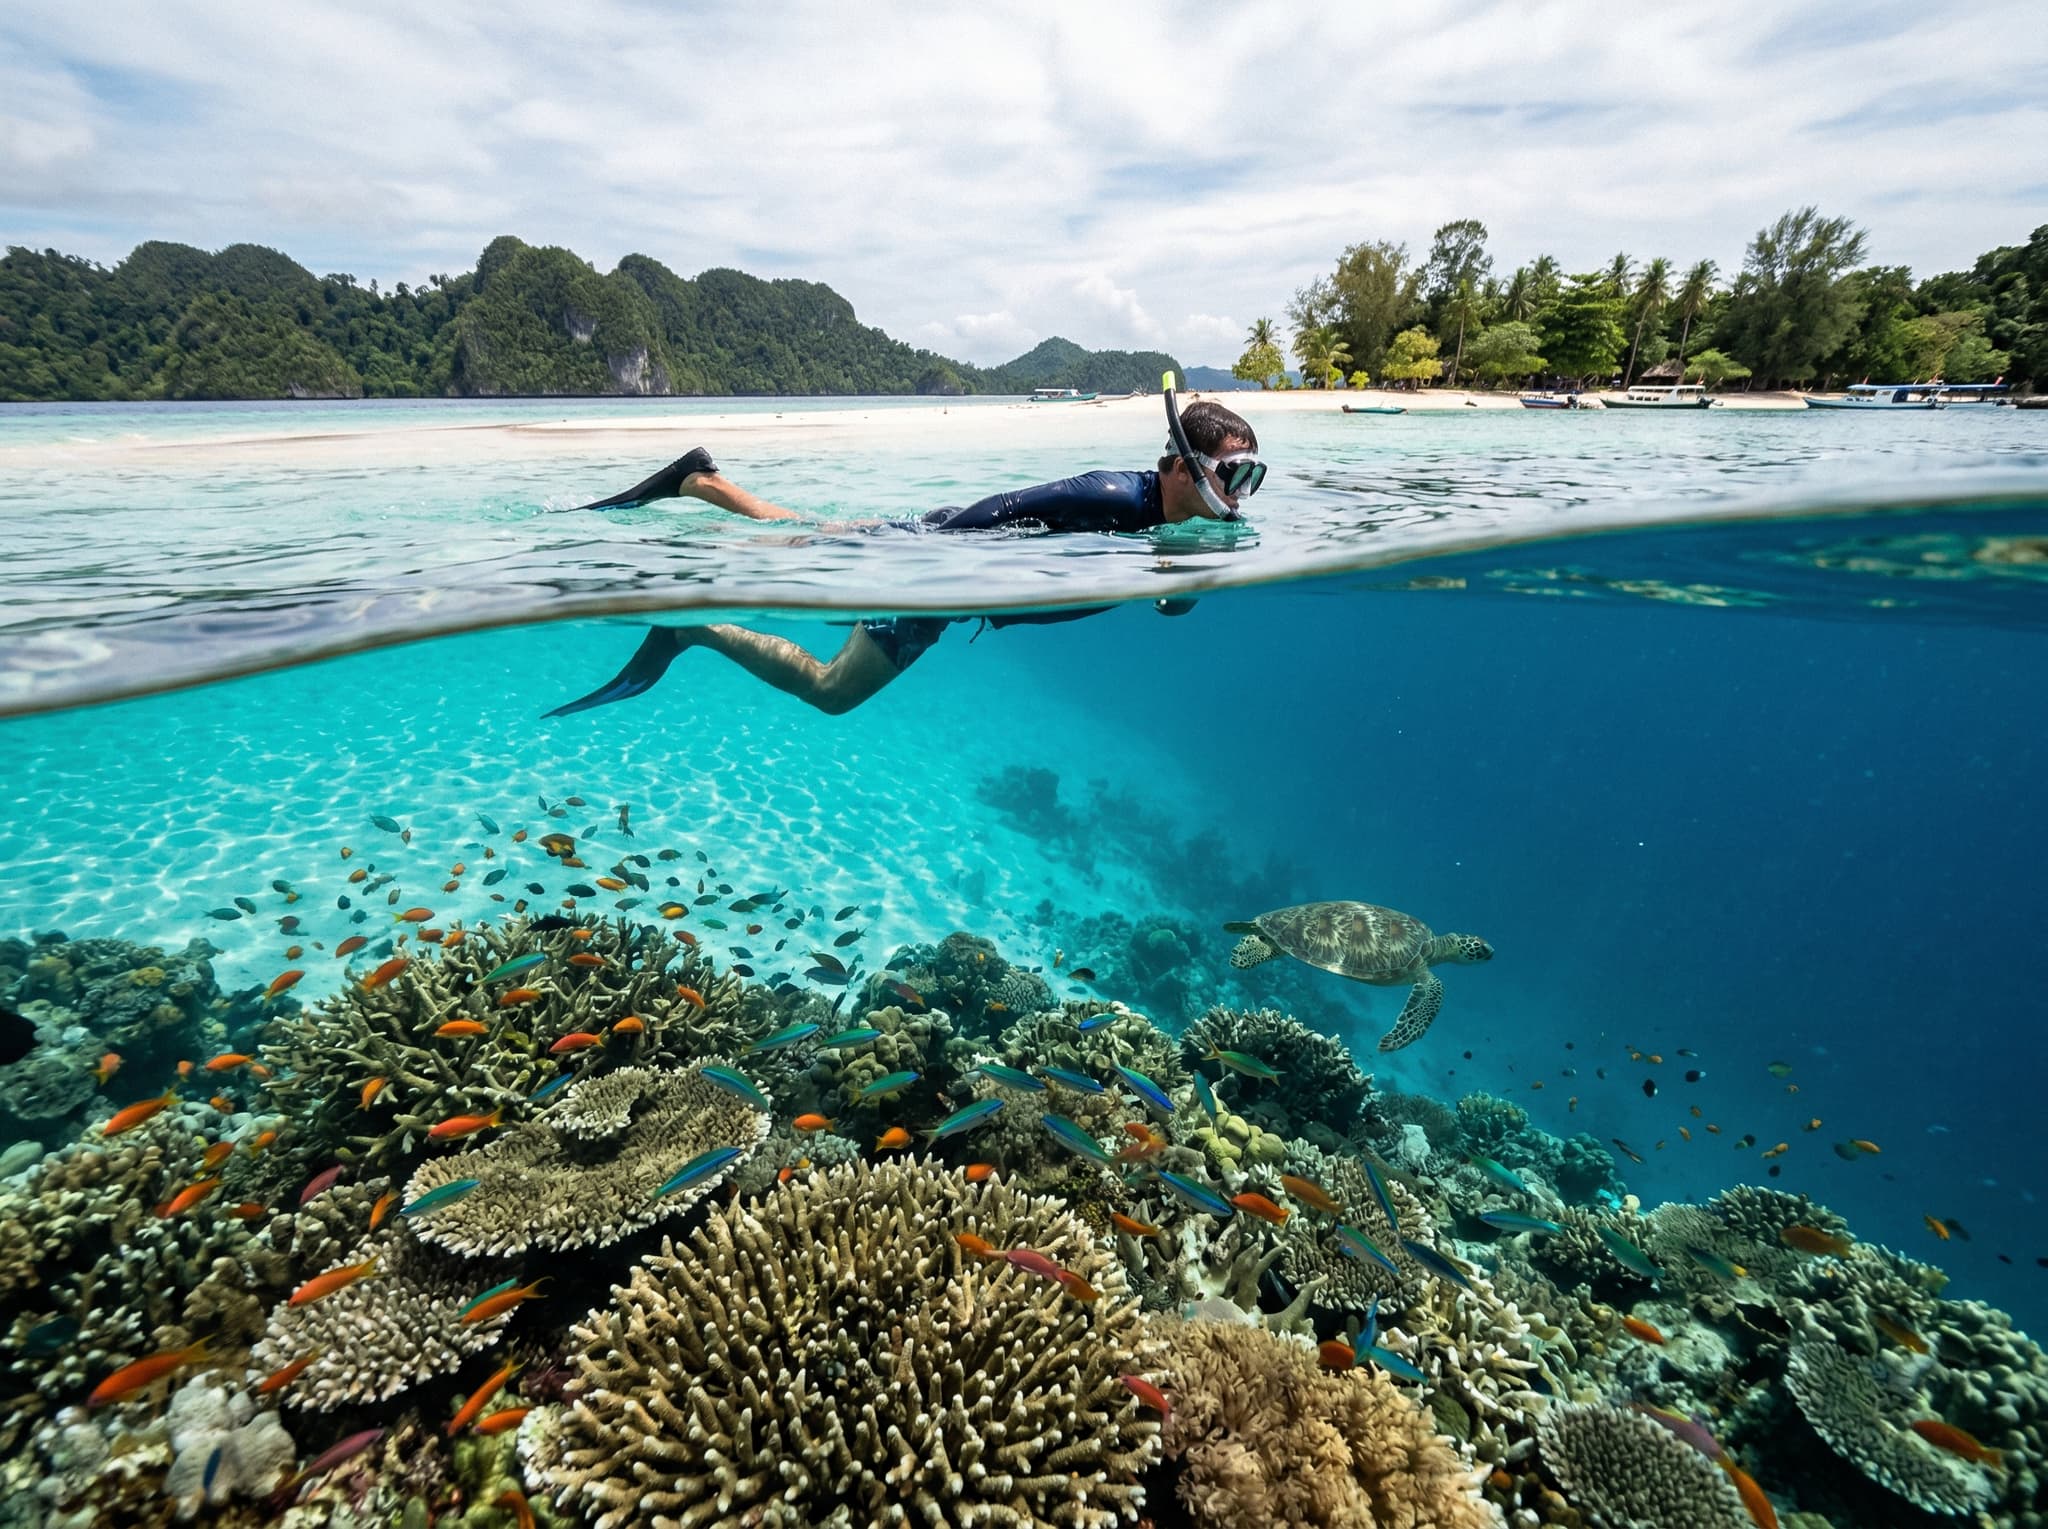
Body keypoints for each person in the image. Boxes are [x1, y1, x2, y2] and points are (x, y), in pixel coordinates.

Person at [546, 395, 1264, 718]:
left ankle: (702, 480)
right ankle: (690, 622)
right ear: (1180, 465)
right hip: (933, 571)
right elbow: (1002, 508)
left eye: (1252, 477)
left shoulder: (1179, 526)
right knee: (820, 654)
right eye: (1234, 474)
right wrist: (921, 568)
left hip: (947, 588)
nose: (1243, 494)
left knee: (805, 534)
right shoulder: (1111, 495)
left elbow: (1168, 600)